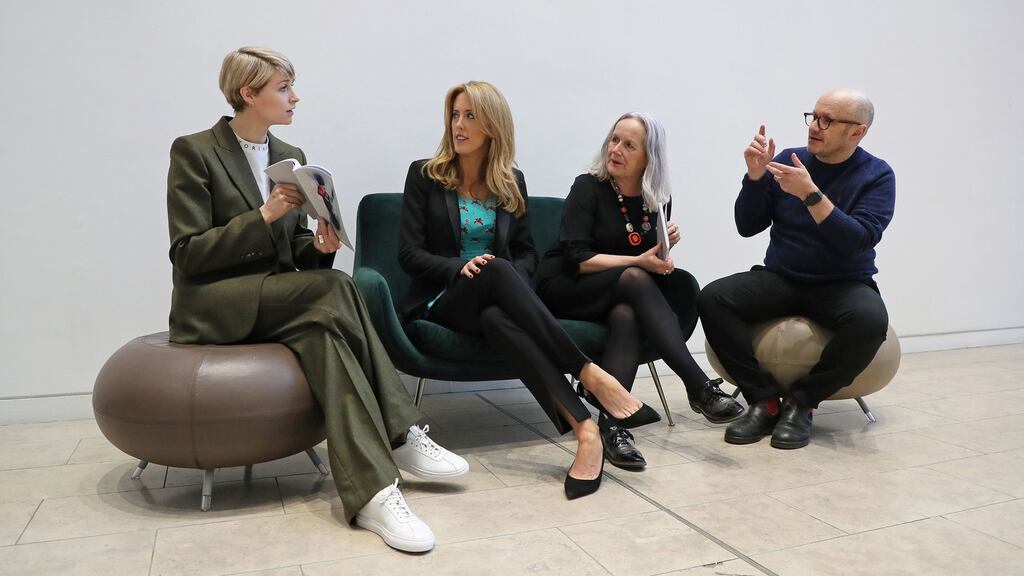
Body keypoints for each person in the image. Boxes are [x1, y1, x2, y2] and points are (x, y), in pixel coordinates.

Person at [166, 47, 469, 553]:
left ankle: (374, 493)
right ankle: (402, 432)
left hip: (284, 300)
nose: (295, 96)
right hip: (215, 303)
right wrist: (261, 217)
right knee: (337, 289)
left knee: (326, 332)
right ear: (248, 94)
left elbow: (293, 253)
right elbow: (187, 254)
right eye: (284, 88)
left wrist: (320, 248)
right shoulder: (195, 151)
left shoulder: (291, 157)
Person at [398, 81, 660, 499]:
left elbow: (526, 254)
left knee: (498, 313)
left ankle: (587, 431)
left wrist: (507, 279)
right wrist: (460, 266)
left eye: (470, 116)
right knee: (498, 271)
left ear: (493, 127)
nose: (458, 125)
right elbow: (409, 254)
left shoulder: (510, 180)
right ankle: (590, 373)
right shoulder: (425, 175)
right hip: (443, 299)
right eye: (455, 115)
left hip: (494, 300)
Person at [536, 113, 744, 470]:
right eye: (614, 140)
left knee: (627, 315)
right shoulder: (588, 187)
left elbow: (647, 259)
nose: (616, 149)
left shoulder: (657, 199)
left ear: (650, 157)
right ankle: (698, 386)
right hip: (566, 285)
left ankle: (612, 429)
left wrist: (663, 252)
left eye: (629, 145)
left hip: (616, 296)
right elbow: (577, 257)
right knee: (633, 277)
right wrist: (640, 262)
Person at [698, 89, 894, 449]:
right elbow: (747, 225)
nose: (815, 127)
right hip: (783, 278)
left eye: (828, 120)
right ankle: (763, 399)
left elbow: (858, 240)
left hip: (843, 283)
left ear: (858, 131)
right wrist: (755, 178)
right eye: (814, 116)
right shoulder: (791, 160)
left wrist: (811, 195)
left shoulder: (877, 175)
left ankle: (802, 402)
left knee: (870, 321)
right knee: (713, 298)